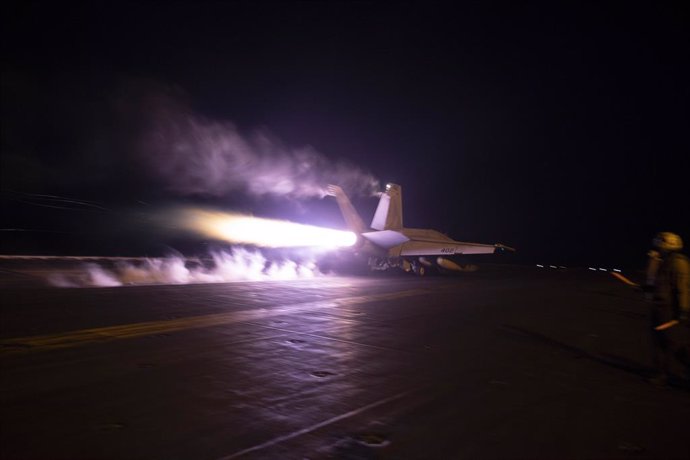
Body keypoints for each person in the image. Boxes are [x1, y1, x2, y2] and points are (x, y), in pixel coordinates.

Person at [645, 232, 690, 385]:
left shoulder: (679, 263)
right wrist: (645, 288)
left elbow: (682, 288)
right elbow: (659, 284)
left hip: (669, 310)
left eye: (659, 245)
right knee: (658, 343)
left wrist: (683, 310)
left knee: (672, 343)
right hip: (658, 308)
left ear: (667, 245)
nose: (657, 248)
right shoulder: (662, 261)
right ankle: (661, 373)